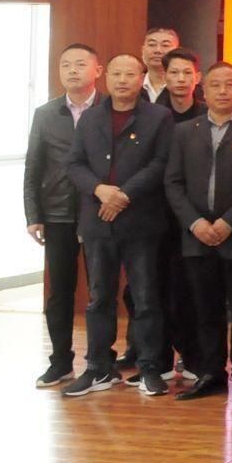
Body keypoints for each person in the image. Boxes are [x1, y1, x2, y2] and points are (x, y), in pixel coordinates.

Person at [62, 54, 174, 398]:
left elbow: (161, 163)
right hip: (98, 220)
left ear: (142, 78)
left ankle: (150, 367)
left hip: (142, 220)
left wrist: (123, 195)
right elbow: (74, 163)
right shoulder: (91, 117)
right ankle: (98, 367)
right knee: (99, 298)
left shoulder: (159, 117)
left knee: (146, 297)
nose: (123, 80)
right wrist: (100, 190)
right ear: (106, 77)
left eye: (130, 74)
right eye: (116, 73)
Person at [164, 61, 232, 402]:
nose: (223, 91)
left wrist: (229, 222)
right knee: (205, 308)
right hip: (197, 237)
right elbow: (173, 182)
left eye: (230, 84)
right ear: (204, 91)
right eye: (216, 85)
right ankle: (211, 372)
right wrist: (195, 222)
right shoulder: (185, 131)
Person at [24, 43, 103, 388]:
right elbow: (33, 166)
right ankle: (60, 362)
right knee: (59, 292)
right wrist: (33, 214)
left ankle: (100, 362)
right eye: (66, 64)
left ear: (97, 70)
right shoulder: (46, 114)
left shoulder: (109, 109)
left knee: (101, 291)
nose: (72, 70)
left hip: (101, 213)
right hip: (57, 214)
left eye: (80, 64)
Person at [144, 46, 203, 383]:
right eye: (174, 73)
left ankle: (194, 357)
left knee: (192, 289)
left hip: (197, 216)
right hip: (158, 215)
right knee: (156, 288)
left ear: (198, 77)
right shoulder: (150, 116)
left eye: (187, 73)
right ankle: (159, 359)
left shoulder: (206, 113)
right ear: (163, 76)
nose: (180, 79)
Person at [139, 28, 180, 105]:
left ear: (177, 51)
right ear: (142, 50)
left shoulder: (185, 86)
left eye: (165, 45)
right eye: (152, 45)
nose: (158, 50)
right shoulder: (134, 85)